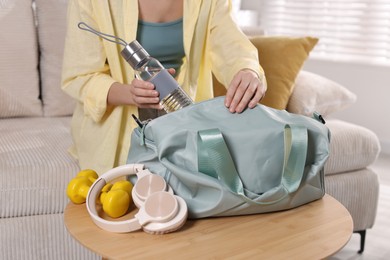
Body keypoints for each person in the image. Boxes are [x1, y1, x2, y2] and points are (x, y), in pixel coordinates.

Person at [61, 0, 267, 175]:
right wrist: (130, 94)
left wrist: (246, 70)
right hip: (117, 132)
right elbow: (80, 75)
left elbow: (231, 45)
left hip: (182, 122)